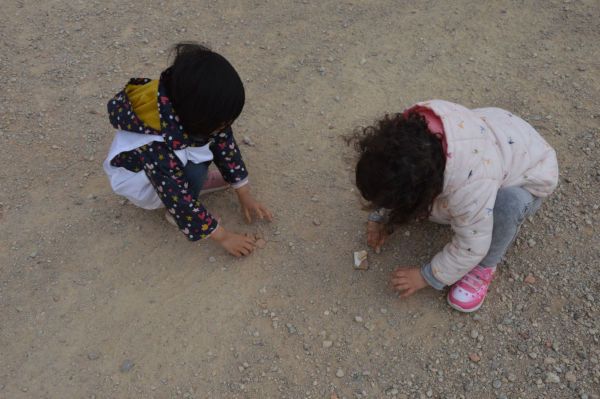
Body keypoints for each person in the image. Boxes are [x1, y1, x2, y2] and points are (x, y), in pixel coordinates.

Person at [354, 100, 558, 312]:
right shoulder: (412, 138)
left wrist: (426, 276)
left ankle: (485, 267)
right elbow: (393, 175)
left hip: (530, 176)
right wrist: (381, 217)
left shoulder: (472, 186)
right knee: (449, 203)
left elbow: (472, 244)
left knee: (506, 207)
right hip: (498, 136)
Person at [103, 42, 272, 257]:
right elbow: (179, 199)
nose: (225, 126)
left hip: (163, 166)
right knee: (194, 171)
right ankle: (178, 207)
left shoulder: (183, 103)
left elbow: (224, 143)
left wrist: (244, 193)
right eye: (221, 122)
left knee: (207, 148)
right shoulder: (156, 148)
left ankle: (194, 180)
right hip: (143, 183)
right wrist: (224, 236)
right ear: (196, 118)